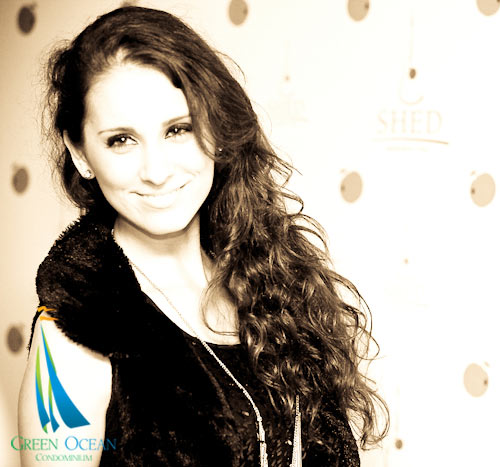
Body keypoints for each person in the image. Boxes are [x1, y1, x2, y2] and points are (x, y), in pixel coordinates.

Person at [17, 6, 387, 466]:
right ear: (80, 154)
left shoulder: (268, 272)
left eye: (178, 130)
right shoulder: (75, 329)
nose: (156, 171)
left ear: (214, 127)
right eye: (121, 140)